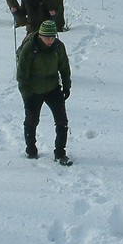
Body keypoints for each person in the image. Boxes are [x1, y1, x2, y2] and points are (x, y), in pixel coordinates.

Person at [16, 19, 72, 165]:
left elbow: (64, 67)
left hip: (53, 88)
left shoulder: (58, 47)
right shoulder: (30, 48)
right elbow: (22, 75)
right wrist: (26, 96)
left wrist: (66, 86)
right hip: (33, 90)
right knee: (32, 120)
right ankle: (31, 149)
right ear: (40, 35)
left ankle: (60, 153)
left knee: (62, 121)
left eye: (53, 37)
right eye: (47, 37)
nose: (50, 40)